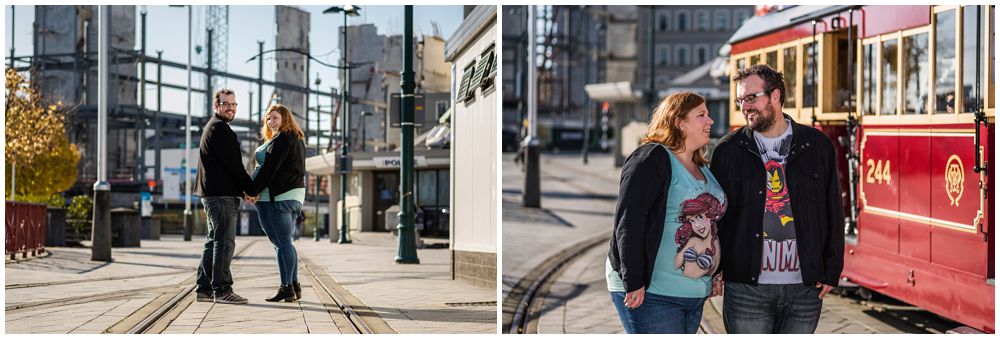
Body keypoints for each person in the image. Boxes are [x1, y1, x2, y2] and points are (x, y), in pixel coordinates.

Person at [710, 64, 844, 334]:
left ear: (775, 96)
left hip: (805, 288)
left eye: (751, 98)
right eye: (740, 100)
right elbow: (716, 219)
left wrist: (831, 270)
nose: (744, 107)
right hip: (746, 288)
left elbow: (833, 211)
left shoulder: (817, 146)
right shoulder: (728, 150)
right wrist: (716, 268)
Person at [606, 92, 726, 334]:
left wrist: (717, 269)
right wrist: (634, 282)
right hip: (653, 294)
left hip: (692, 295)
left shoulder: (702, 165)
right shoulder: (651, 159)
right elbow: (630, 222)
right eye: (701, 115)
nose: (710, 121)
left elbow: (713, 225)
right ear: (680, 123)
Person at [194, 88, 256, 304]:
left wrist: (243, 190)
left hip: (213, 193)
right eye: (225, 104)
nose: (230, 108)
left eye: (233, 104)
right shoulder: (220, 129)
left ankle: (203, 288)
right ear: (216, 106)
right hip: (220, 196)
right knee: (224, 241)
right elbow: (235, 167)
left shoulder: (213, 127)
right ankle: (221, 290)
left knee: (213, 241)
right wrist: (251, 189)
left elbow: (227, 167)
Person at [247, 104, 306, 302]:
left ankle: (286, 287)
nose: (271, 122)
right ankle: (294, 284)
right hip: (294, 197)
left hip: (275, 198)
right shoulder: (296, 139)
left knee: (281, 244)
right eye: (268, 119)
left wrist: (252, 190)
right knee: (285, 243)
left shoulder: (281, 139)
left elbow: (270, 169)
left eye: (275, 118)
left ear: (285, 119)